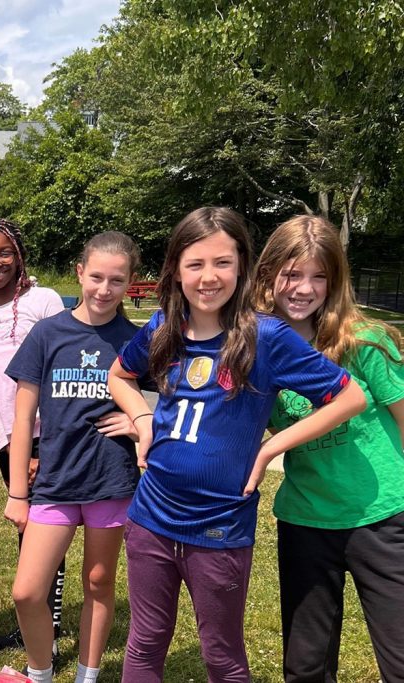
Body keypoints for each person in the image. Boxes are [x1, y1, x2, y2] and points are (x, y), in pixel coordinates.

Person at [107, 206, 367, 682]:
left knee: (222, 655)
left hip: (219, 528)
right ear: (175, 271)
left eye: (223, 263)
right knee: (145, 643)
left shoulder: (266, 337)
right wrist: (142, 420)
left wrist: (271, 448)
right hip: (150, 521)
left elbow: (350, 397)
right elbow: (119, 374)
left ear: (243, 266)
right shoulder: (164, 327)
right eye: (195, 264)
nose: (209, 277)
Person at [252, 215, 404, 683]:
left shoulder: (365, 343)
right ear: (268, 274)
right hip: (306, 521)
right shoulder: (256, 351)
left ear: (335, 282)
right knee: (305, 666)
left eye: (319, 276)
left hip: (382, 516)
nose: (304, 288)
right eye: (292, 274)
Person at [4, 232, 142, 683]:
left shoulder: (135, 340)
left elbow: (177, 397)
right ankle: (40, 672)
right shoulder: (49, 333)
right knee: (27, 592)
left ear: (130, 283)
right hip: (55, 483)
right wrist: (17, 494)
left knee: (99, 583)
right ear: (80, 273)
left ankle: (88, 674)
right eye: (96, 276)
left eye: (117, 280)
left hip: (111, 480)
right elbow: (23, 419)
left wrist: (141, 420)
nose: (104, 289)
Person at [0, 217, 65, 652]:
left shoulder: (43, 300)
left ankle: (49, 629)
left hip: (53, 436)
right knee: (28, 531)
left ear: (18, 255)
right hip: (10, 439)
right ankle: (32, 623)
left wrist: (50, 439)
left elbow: (64, 366)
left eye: (4, 252)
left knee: (48, 529)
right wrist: (4, 440)